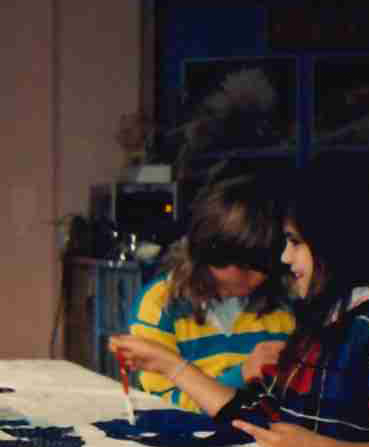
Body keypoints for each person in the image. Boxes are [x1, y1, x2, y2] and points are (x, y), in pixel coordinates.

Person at [110, 165, 369, 447]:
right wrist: (170, 365)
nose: (283, 258)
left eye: (295, 243)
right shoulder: (315, 329)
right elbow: (256, 416)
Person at [125, 174, 295, 410]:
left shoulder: (284, 308)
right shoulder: (158, 305)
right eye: (248, 266)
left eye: (266, 265)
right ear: (211, 254)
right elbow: (163, 406)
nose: (260, 277)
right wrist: (242, 375)